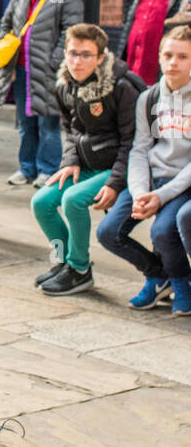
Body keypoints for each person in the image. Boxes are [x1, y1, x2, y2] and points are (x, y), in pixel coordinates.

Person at [32, 24, 144, 296]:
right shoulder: (65, 85)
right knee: (42, 202)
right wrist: (70, 160)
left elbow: (133, 141)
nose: (76, 61)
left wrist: (117, 183)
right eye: (72, 53)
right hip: (84, 164)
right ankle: (64, 260)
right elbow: (70, 130)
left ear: (101, 57)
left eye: (85, 55)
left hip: (118, 167)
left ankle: (80, 270)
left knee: (74, 200)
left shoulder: (122, 87)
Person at [97, 24, 191, 317]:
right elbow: (139, 149)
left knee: (164, 230)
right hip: (150, 180)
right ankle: (158, 274)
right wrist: (139, 193)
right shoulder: (149, 99)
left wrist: (160, 197)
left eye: (183, 56)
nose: (173, 62)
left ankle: (182, 282)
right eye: (168, 55)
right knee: (108, 232)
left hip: (180, 183)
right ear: (160, 57)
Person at [0, 0, 84, 188]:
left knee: (48, 124)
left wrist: (55, 61)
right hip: (22, 70)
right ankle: (26, 168)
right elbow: (6, 22)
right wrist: (7, 45)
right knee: (25, 123)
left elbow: (70, 32)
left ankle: (48, 170)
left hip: (49, 71)